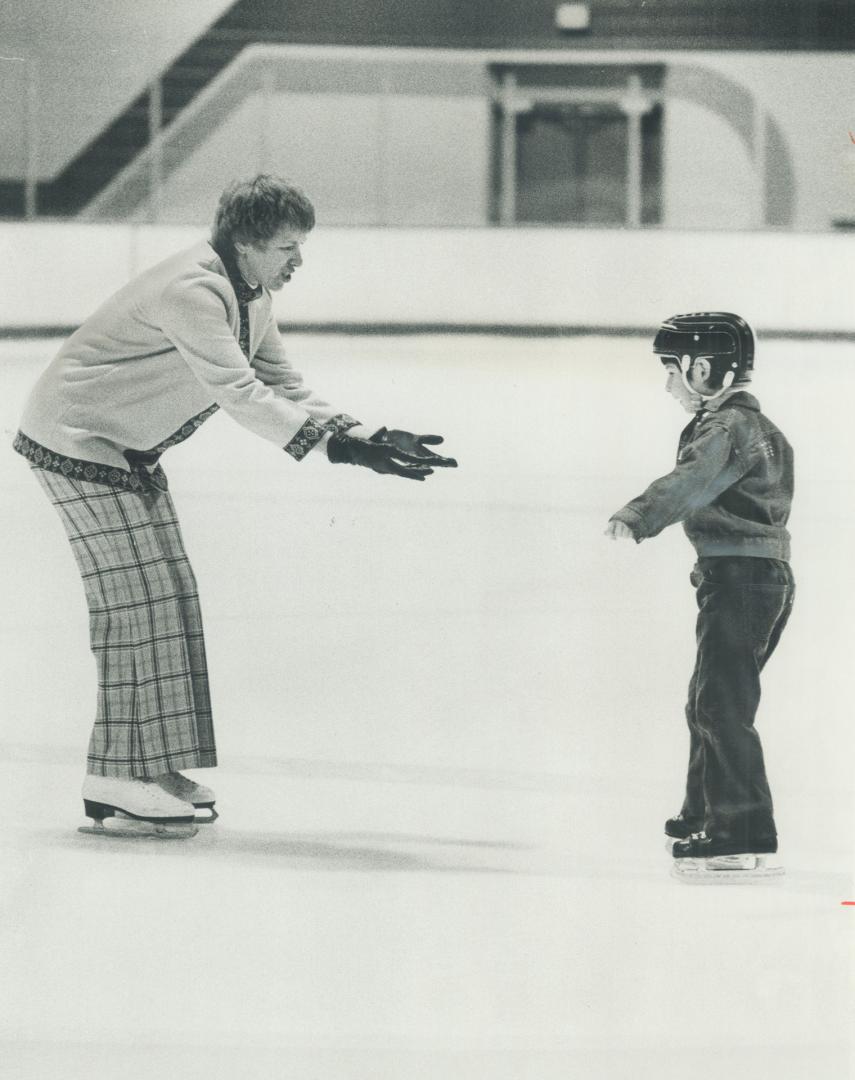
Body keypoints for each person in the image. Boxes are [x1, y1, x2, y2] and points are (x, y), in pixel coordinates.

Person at [13, 174, 457, 838]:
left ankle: (148, 766)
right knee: (136, 605)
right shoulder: (193, 290)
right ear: (247, 241)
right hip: (76, 440)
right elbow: (239, 393)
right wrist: (339, 452)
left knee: (167, 597)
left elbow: (281, 383)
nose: (297, 261)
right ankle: (114, 775)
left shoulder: (248, 292)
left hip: (120, 447)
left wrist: (363, 433)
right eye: (287, 247)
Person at [605, 312, 794, 880]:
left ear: (703, 368)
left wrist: (638, 514)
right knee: (707, 700)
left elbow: (692, 480)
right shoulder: (760, 429)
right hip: (753, 578)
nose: (668, 385)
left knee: (721, 705)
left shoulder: (725, 429)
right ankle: (705, 814)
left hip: (741, 578)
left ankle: (740, 833)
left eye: (672, 371)